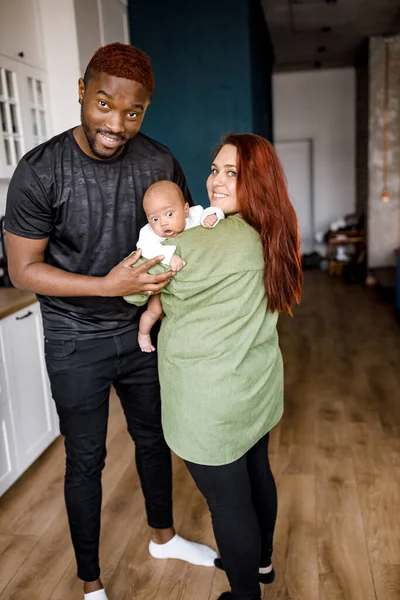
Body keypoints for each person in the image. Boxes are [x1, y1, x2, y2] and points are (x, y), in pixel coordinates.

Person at [4, 42, 217, 600]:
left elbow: (185, 236)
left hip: (144, 332)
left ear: (145, 109)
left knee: (154, 440)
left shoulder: (160, 161)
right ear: (81, 92)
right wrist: (105, 287)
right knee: (87, 460)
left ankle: (164, 538)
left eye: (132, 112)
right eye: (103, 104)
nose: (116, 123)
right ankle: (91, 582)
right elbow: (23, 270)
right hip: (75, 339)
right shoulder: (39, 170)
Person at [150, 133, 303, 600]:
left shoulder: (201, 241)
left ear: (256, 180)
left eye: (231, 173)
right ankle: (262, 564)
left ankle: (245, 596)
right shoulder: (277, 231)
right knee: (257, 473)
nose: (215, 180)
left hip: (210, 401)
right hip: (254, 389)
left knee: (228, 504)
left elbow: (136, 287)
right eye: (215, 169)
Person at [125, 179, 224, 351]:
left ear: (185, 210)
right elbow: (144, 248)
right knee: (155, 311)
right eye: (154, 218)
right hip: (164, 284)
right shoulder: (148, 232)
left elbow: (214, 209)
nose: (163, 223)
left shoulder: (196, 215)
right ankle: (143, 334)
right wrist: (169, 257)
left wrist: (213, 217)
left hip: (191, 283)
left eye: (169, 214)